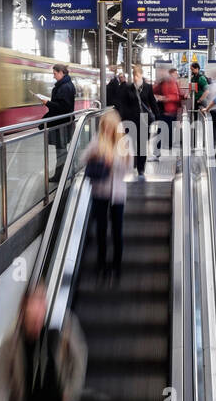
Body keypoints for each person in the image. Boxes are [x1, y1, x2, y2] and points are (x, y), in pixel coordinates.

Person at [81, 108, 132, 282]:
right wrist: (95, 155)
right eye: (105, 127)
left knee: (117, 231)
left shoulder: (124, 142)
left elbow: (127, 169)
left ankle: (117, 265)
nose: (108, 130)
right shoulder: (97, 140)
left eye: (111, 127)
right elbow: (83, 158)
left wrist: (113, 161)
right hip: (99, 193)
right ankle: (101, 264)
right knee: (101, 230)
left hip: (117, 194)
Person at [41, 63, 75, 182]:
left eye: (55, 74)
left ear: (61, 73)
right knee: (61, 150)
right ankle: (61, 174)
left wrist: (48, 103)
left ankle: (61, 175)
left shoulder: (65, 87)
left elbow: (63, 107)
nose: (54, 76)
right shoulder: (65, 85)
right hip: (62, 123)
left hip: (61, 124)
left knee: (61, 151)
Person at [132, 65, 156, 176]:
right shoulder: (129, 88)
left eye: (137, 75)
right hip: (132, 119)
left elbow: (152, 103)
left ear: (141, 75)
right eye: (134, 75)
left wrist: (158, 117)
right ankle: (135, 160)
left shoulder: (148, 87)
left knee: (142, 144)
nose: (136, 78)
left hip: (144, 120)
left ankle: (141, 167)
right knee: (134, 144)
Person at [154, 67, 181, 157]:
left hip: (170, 112)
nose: (176, 76)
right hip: (166, 112)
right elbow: (153, 91)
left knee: (164, 131)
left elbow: (176, 97)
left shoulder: (172, 83)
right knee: (163, 131)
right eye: (174, 74)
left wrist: (165, 98)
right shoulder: (163, 83)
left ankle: (163, 149)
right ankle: (159, 151)